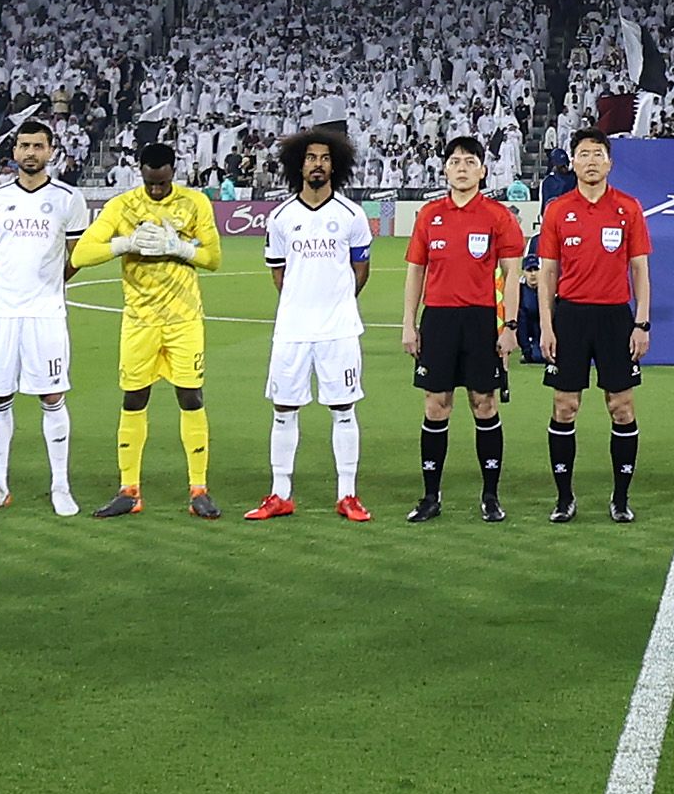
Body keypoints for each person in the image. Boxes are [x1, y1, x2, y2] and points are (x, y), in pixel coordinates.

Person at [70, 136, 219, 517]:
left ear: (174, 172)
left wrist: (179, 247)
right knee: (134, 399)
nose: (156, 189)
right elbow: (82, 253)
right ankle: (129, 490)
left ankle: (199, 489)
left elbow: (214, 259)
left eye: (162, 182)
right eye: (150, 182)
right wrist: (125, 243)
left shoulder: (194, 202)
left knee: (191, 397)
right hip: (139, 322)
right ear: (141, 172)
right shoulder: (123, 206)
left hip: (184, 320)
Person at [250, 121, 376, 521]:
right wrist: (302, 302)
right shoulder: (282, 217)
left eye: (324, 158)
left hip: (338, 328)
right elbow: (278, 273)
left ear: (334, 165)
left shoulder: (352, 214)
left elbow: (361, 269)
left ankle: (347, 494)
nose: (317, 165)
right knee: (284, 410)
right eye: (310, 158)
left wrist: (336, 301)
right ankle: (280, 493)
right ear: (298, 166)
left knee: (343, 409)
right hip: (292, 328)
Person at [0, 120, 90, 515]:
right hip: (1, 311)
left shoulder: (69, 198)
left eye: (38, 146)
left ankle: (61, 486)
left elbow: (77, 257)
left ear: (51, 151)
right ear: (14, 151)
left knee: (52, 396)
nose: (30, 152)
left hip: (45, 313)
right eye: (23, 146)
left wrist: (50, 283)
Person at [529, 127, 654, 522]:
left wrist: (642, 323)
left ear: (609, 162)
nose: (591, 161)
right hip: (571, 317)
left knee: (621, 406)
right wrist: (547, 326)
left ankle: (620, 499)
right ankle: (564, 498)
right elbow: (548, 273)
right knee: (565, 407)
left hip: (616, 317)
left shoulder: (628, 208)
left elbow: (640, 270)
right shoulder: (558, 210)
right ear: (574, 162)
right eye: (584, 154)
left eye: (598, 154)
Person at [402, 133, 525, 520]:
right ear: (445, 169)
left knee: (483, 403)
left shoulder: (497, 216)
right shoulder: (429, 215)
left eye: (470, 161)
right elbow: (415, 272)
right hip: (437, 319)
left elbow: (512, 273)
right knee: (436, 405)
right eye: (455, 161)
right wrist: (409, 323)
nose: (461, 167)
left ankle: (490, 496)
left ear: (483, 171)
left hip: (479, 319)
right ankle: (430, 496)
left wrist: (511, 327)